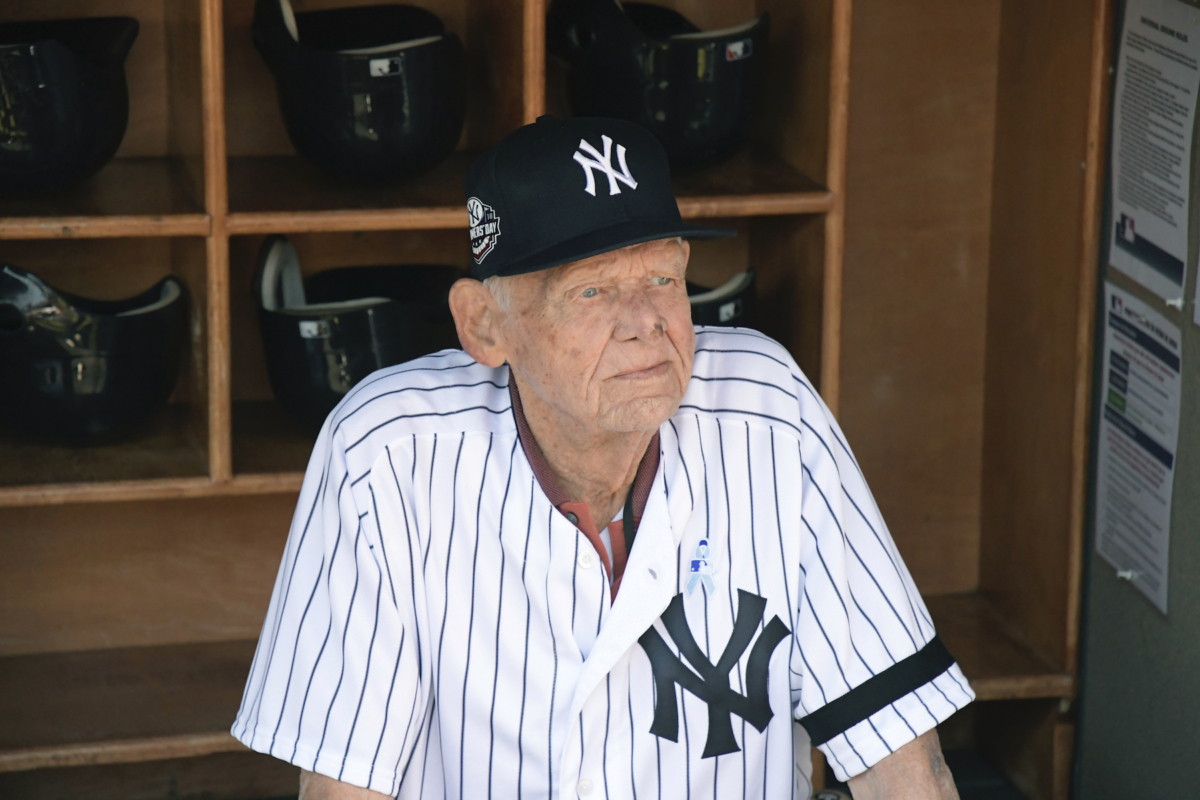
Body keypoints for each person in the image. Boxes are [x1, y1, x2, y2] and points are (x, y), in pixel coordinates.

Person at [232, 116, 974, 800]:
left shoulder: (770, 410)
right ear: (486, 325)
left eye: (663, 277)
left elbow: (907, 767)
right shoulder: (387, 456)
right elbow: (342, 790)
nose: (646, 322)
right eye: (590, 290)